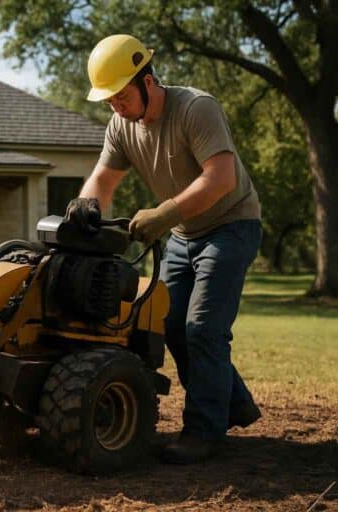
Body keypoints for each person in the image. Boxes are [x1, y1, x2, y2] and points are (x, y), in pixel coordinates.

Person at [65, 34, 263, 464]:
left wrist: (163, 214)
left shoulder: (196, 108)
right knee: (167, 325)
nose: (115, 106)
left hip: (232, 226)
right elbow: (103, 179)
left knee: (203, 329)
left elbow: (221, 178)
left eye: (120, 95)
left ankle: (204, 433)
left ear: (148, 81)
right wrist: (85, 208)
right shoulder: (121, 126)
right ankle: (234, 404)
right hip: (185, 235)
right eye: (109, 100)